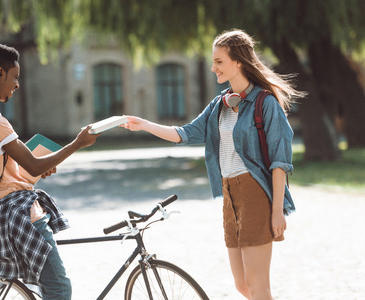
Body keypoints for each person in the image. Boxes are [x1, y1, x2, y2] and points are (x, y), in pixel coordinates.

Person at [122, 29, 304, 299]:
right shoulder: (219, 104)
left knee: (258, 286)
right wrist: (145, 125)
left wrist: (277, 211)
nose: (212, 67)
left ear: (238, 62)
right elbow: (183, 134)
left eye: (219, 61)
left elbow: (280, 162)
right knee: (242, 286)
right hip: (229, 196)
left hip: (255, 194)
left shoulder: (265, 103)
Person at [0, 42, 98, 299]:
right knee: (59, 288)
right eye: (15, 76)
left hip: (0, 211)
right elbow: (33, 164)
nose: (17, 84)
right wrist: (78, 143)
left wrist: (35, 168)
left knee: (45, 286)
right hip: (20, 213)